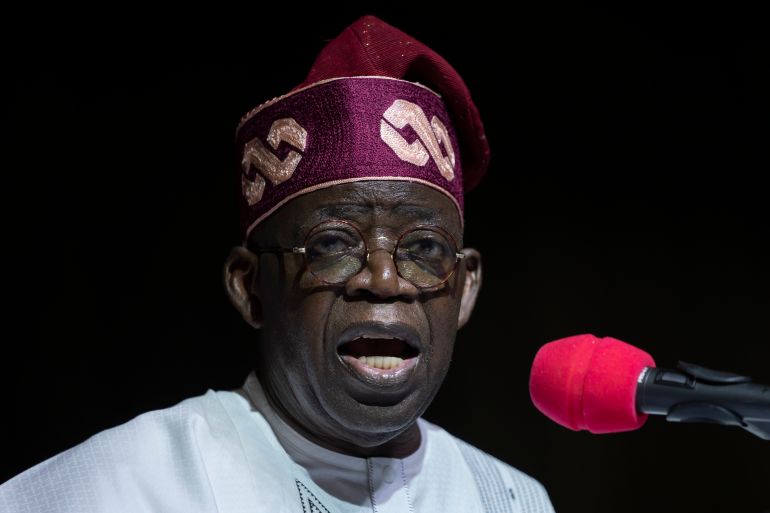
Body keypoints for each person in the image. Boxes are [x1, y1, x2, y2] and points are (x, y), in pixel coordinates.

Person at [0, 15, 555, 513]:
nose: (385, 282)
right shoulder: (122, 487)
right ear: (249, 287)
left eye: (425, 250)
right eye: (334, 245)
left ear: (465, 287)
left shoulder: (510, 500)